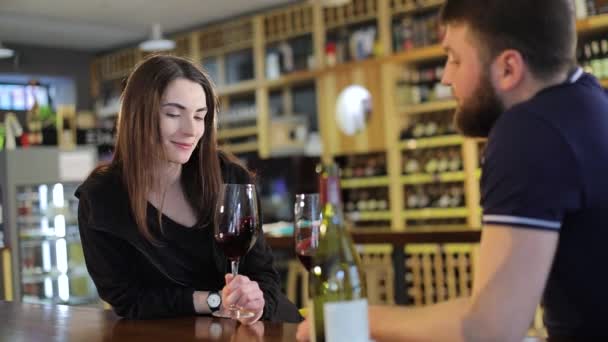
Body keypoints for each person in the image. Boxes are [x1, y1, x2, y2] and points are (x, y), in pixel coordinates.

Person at [297, 0, 608, 340]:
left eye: (455, 58)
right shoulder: (591, 101)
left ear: (508, 68)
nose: (446, 76)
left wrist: (351, 316)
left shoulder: (528, 130)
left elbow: (490, 328)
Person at [76, 54, 301, 323]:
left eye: (199, 116)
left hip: (265, 328)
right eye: (173, 114)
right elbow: (127, 299)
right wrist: (213, 300)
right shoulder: (102, 198)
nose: (190, 130)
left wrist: (257, 301)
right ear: (139, 115)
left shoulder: (230, 177)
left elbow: (266, 277)